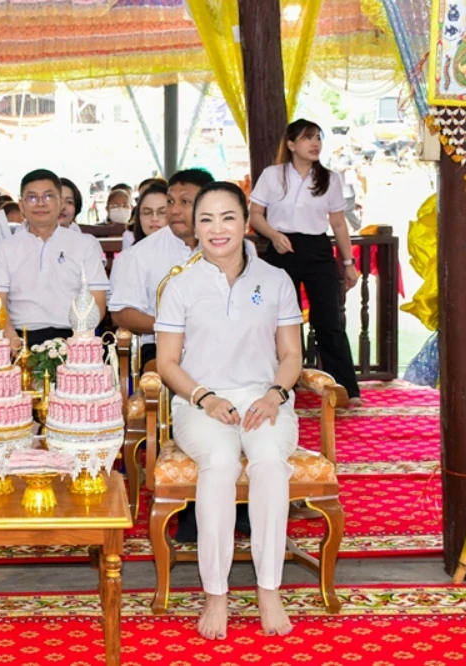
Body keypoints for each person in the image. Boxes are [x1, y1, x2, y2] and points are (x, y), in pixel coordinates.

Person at [156, 181, 302, 640]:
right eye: (206, 219)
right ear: (193, 228)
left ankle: (268, 588)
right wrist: (205, 398)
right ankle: (215, 592)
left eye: (227, 217)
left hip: (264, 396)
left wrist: (275, 394)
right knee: (218, 463)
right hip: (201, 401)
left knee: (269, 463)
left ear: (245, 223)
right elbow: (166, 363)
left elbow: (292, 355)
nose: (217, 229)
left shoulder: (274, 280)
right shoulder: (180, 285)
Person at [249, 119, 362, 404]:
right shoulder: (273, 175)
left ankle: (346, 388)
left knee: (329, 321)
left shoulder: (330, 178)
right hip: (281, 247)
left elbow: (337, 223)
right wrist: (274, 236)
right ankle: (283, 386)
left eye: (318, 138)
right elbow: (255, 215)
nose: (315, 144)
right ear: (290, 144)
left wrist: (348, 262)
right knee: (282, 320)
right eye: (308, 138)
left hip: (318, 249)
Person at [0, 169, 108, 348]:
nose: (40, 204)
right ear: (21, 206)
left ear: (60, 203)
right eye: (32, 198)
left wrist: (78, 343)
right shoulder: (5, 248)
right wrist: (14, 343)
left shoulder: (85, 244)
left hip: (73, 336)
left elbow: (97, 301)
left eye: (48, 197)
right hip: (21, 337)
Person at [109, 169, 213, 369]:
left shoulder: (234, 248)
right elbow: (122, 313)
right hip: (160, 344)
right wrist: (176, 327)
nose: (174, 210)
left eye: (185, 202)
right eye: (171, 202)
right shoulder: (139, 254)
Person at [120, 182, 168, 252]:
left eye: (162, 212)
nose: (154, 218)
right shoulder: (128, 257)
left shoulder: (187, 255)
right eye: (147, 213)